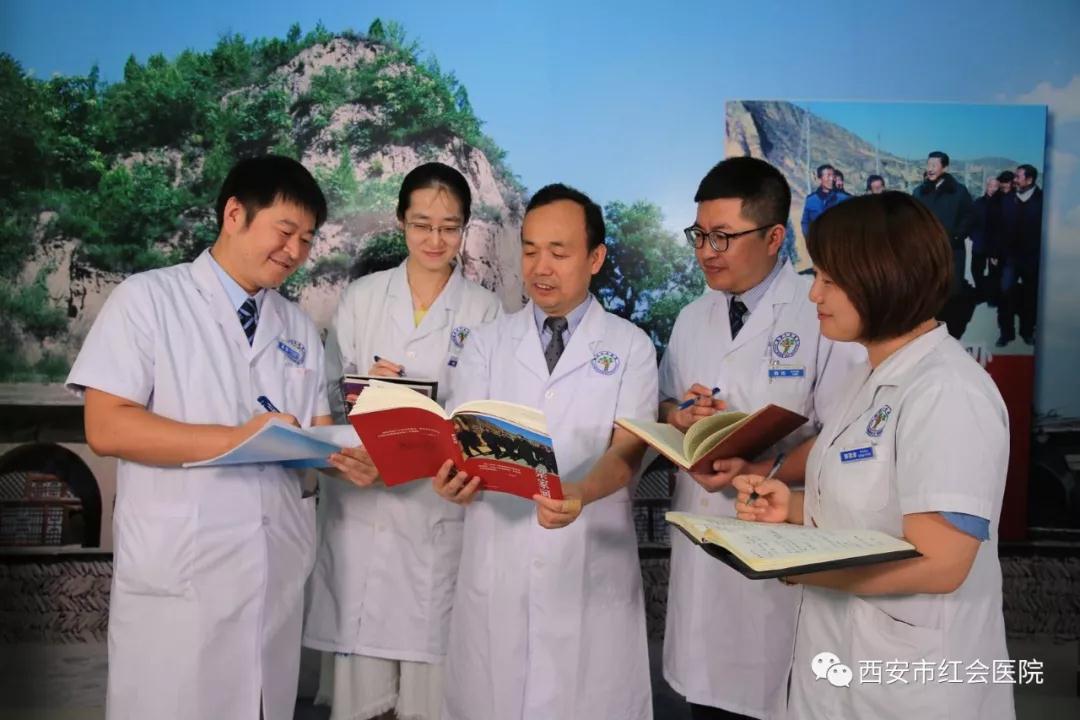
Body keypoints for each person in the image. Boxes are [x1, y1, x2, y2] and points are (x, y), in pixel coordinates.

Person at [66, 155, 372, 720]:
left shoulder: (296, 327)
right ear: (234, 214)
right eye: (285, 231)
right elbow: (106, 426)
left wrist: (347, 456)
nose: (295, 251)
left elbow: (311, 433)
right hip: (182, 578)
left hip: (272, 574)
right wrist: (237, 438)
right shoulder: (148, 299)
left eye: (307, 240)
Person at [734, 191, 1013, 720]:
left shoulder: (948, 391)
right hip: (839, 669)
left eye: (830, 280)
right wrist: (792, 508)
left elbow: (941, 563)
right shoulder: (868, 377)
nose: (814, 293)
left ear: (885, 278)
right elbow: (871, 507)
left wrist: (798, 568)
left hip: (913, 687)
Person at [432, 183, 658, 720]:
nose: (541, 267)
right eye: (530, 250)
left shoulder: (629, 346)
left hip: (590, 563)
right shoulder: (488, 343)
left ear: (595, 258)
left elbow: (628, 451)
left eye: (559, 252)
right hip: (499, 561)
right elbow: (462, 441)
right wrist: (452, 480)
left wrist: (579, 491)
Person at [661, 157, 862, 720]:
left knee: (776, 696)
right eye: (699, 235)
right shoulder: (691, 317)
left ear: (774, 238)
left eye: (723, 237)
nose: (707, 251)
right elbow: (666, 403)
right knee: (707, 701)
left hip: (777, 548)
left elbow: (842, 436)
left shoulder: (819, 312)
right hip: (702, 545)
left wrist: (764, 466)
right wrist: (682, 417)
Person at [303, 162, 501, 720]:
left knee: (432, 688)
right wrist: (368, 393)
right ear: (400, 222)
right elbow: (327, 398)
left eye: (449, 227)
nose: (435, 240)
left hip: (435, 510)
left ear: (465, 228)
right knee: (361, 692)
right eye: (422, 225)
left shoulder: (485, 310)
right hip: (363, 504)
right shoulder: (362, 298)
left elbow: (485, 415)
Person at [911, 150, 975, 339]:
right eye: (928, 165)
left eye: (934, 165)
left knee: (950, 293)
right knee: (927, 292)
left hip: (952, 250)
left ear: (945, 168)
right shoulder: (919, 192)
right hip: (926, 251)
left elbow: (969, 217)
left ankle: (950, 335)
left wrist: (956, 237)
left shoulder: (958, 191)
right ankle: (928, 332)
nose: (930, 169)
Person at [995, 164, 1042, 346]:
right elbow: (998, 228)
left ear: (1029, 180)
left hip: (1033, 258)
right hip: (1010, 258)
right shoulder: (1007, 200)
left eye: (1018, 177)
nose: (1014, 180)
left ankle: (1027, 331)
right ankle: (1006, 333)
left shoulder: (1043, 200)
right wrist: (996, 252)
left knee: (1030, 297)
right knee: (1005, 295)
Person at [970, 176, 999, 304]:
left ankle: (992, 295)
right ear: (986, 187)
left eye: (996, 186)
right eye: (990, 186)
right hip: (980, 242)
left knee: (994, 270)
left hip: (995, 244)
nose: (993, 189)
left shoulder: (1002, 203)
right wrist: (973, 236)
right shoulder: (978, 203)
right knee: (976, 269)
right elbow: (971, 221)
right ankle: (980, 292)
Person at [800, 164, 848, 237]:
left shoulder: (843, 198)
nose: (831, 179)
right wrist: (809, 238)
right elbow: (805, 222)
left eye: (833, 176)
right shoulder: (810, 200)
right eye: (828, 176)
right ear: (820, 179)